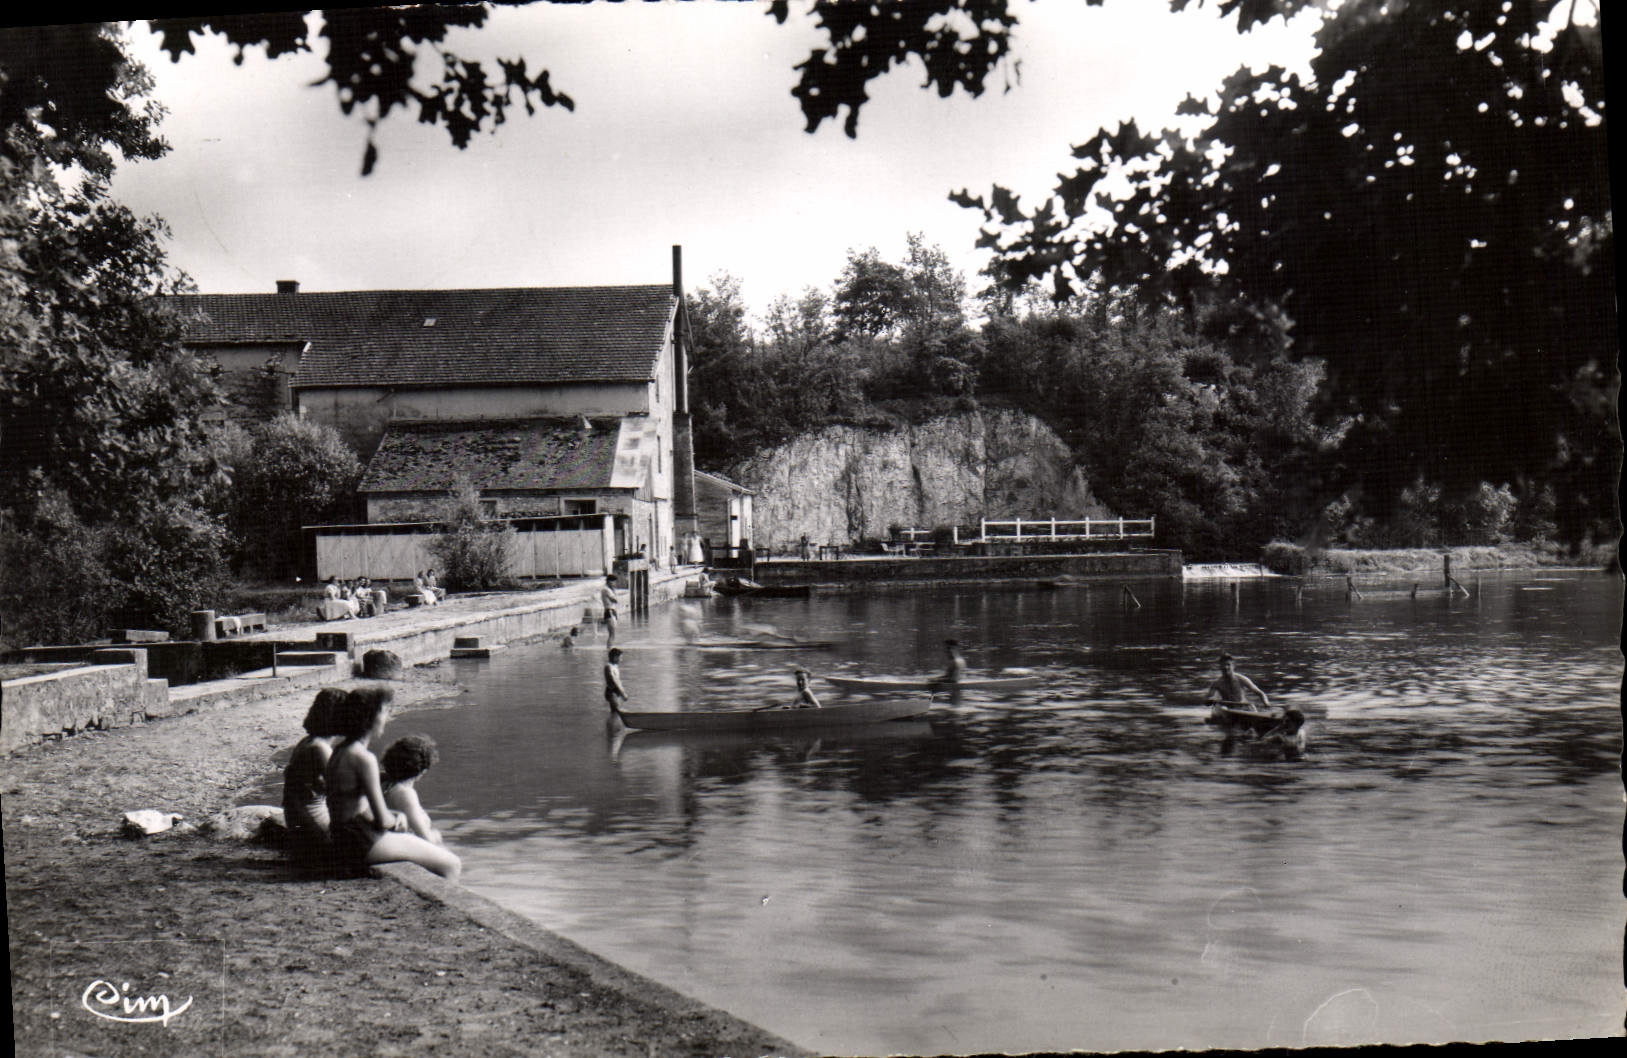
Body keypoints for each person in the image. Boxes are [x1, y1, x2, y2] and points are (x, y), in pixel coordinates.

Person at [324, 685, 461, 881]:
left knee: (419, 846)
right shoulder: (363, 758)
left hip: (342, 836)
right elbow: (382, 821)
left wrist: (394, 814)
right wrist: (397, 819)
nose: (387, 718)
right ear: (369, 718)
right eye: (384, 712)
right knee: (452, 864)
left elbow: (353, 806)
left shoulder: (339, 751)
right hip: (360, 840)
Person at [282, 687, 348, 865]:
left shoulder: (307, 742)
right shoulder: (320, 749)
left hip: (298, 818)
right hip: (312, 821)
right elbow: (344, 790)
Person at [381, 735, 448, 846]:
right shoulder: (405, 793)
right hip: (403, 846)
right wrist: (437, 836)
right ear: (423, 771)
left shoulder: (383, 782)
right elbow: (426, 839)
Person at [1204, 653, 1270, 711]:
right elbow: (1207, 700)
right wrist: (1210, 700)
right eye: (1223, 665)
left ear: (1233, 666)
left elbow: (1260, 693)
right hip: (1227, 710)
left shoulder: (1242, 679)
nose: (1225, 667)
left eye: (1228, 664)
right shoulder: (1217, 683)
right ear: (1220, 667)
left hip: (1243, 708)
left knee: (1252, 707)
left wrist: (1266, 703)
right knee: (1221, 708)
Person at [603, 647, 628, 713]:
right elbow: (615, 680)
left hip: (616, 691)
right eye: (620, 658)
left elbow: (618, 681)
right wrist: (622, 693)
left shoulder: (615, 666)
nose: (621, 660)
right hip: (612, 691)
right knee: (616, 710)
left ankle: (613, 719)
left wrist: (622, 691)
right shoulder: (609, 666)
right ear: (615, 657)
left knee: (615, 711)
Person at [599, 574, 620, 648]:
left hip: (612, 611)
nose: (615, 584)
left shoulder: (609, 590)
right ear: (609, 581)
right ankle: (609, 649)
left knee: (613, 634)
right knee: (612, 634)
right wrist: (614, 591)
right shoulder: (606, 590)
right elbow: (615, 600)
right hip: (609, 611)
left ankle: (609, 648)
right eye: (613, 582)